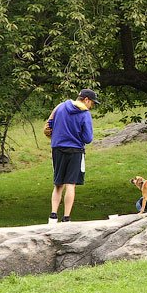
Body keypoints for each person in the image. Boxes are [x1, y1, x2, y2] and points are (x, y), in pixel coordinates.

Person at [48, 88, 99, 223]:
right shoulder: (84, 113)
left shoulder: (60, 107)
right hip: (75, 150)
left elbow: (49, 125)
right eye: (92, 103)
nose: (91, 106)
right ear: (86, 99)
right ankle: (66, 218)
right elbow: (88, 138)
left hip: (57, 148)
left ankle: (53, 216)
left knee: (58, 183)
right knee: (70, 183)